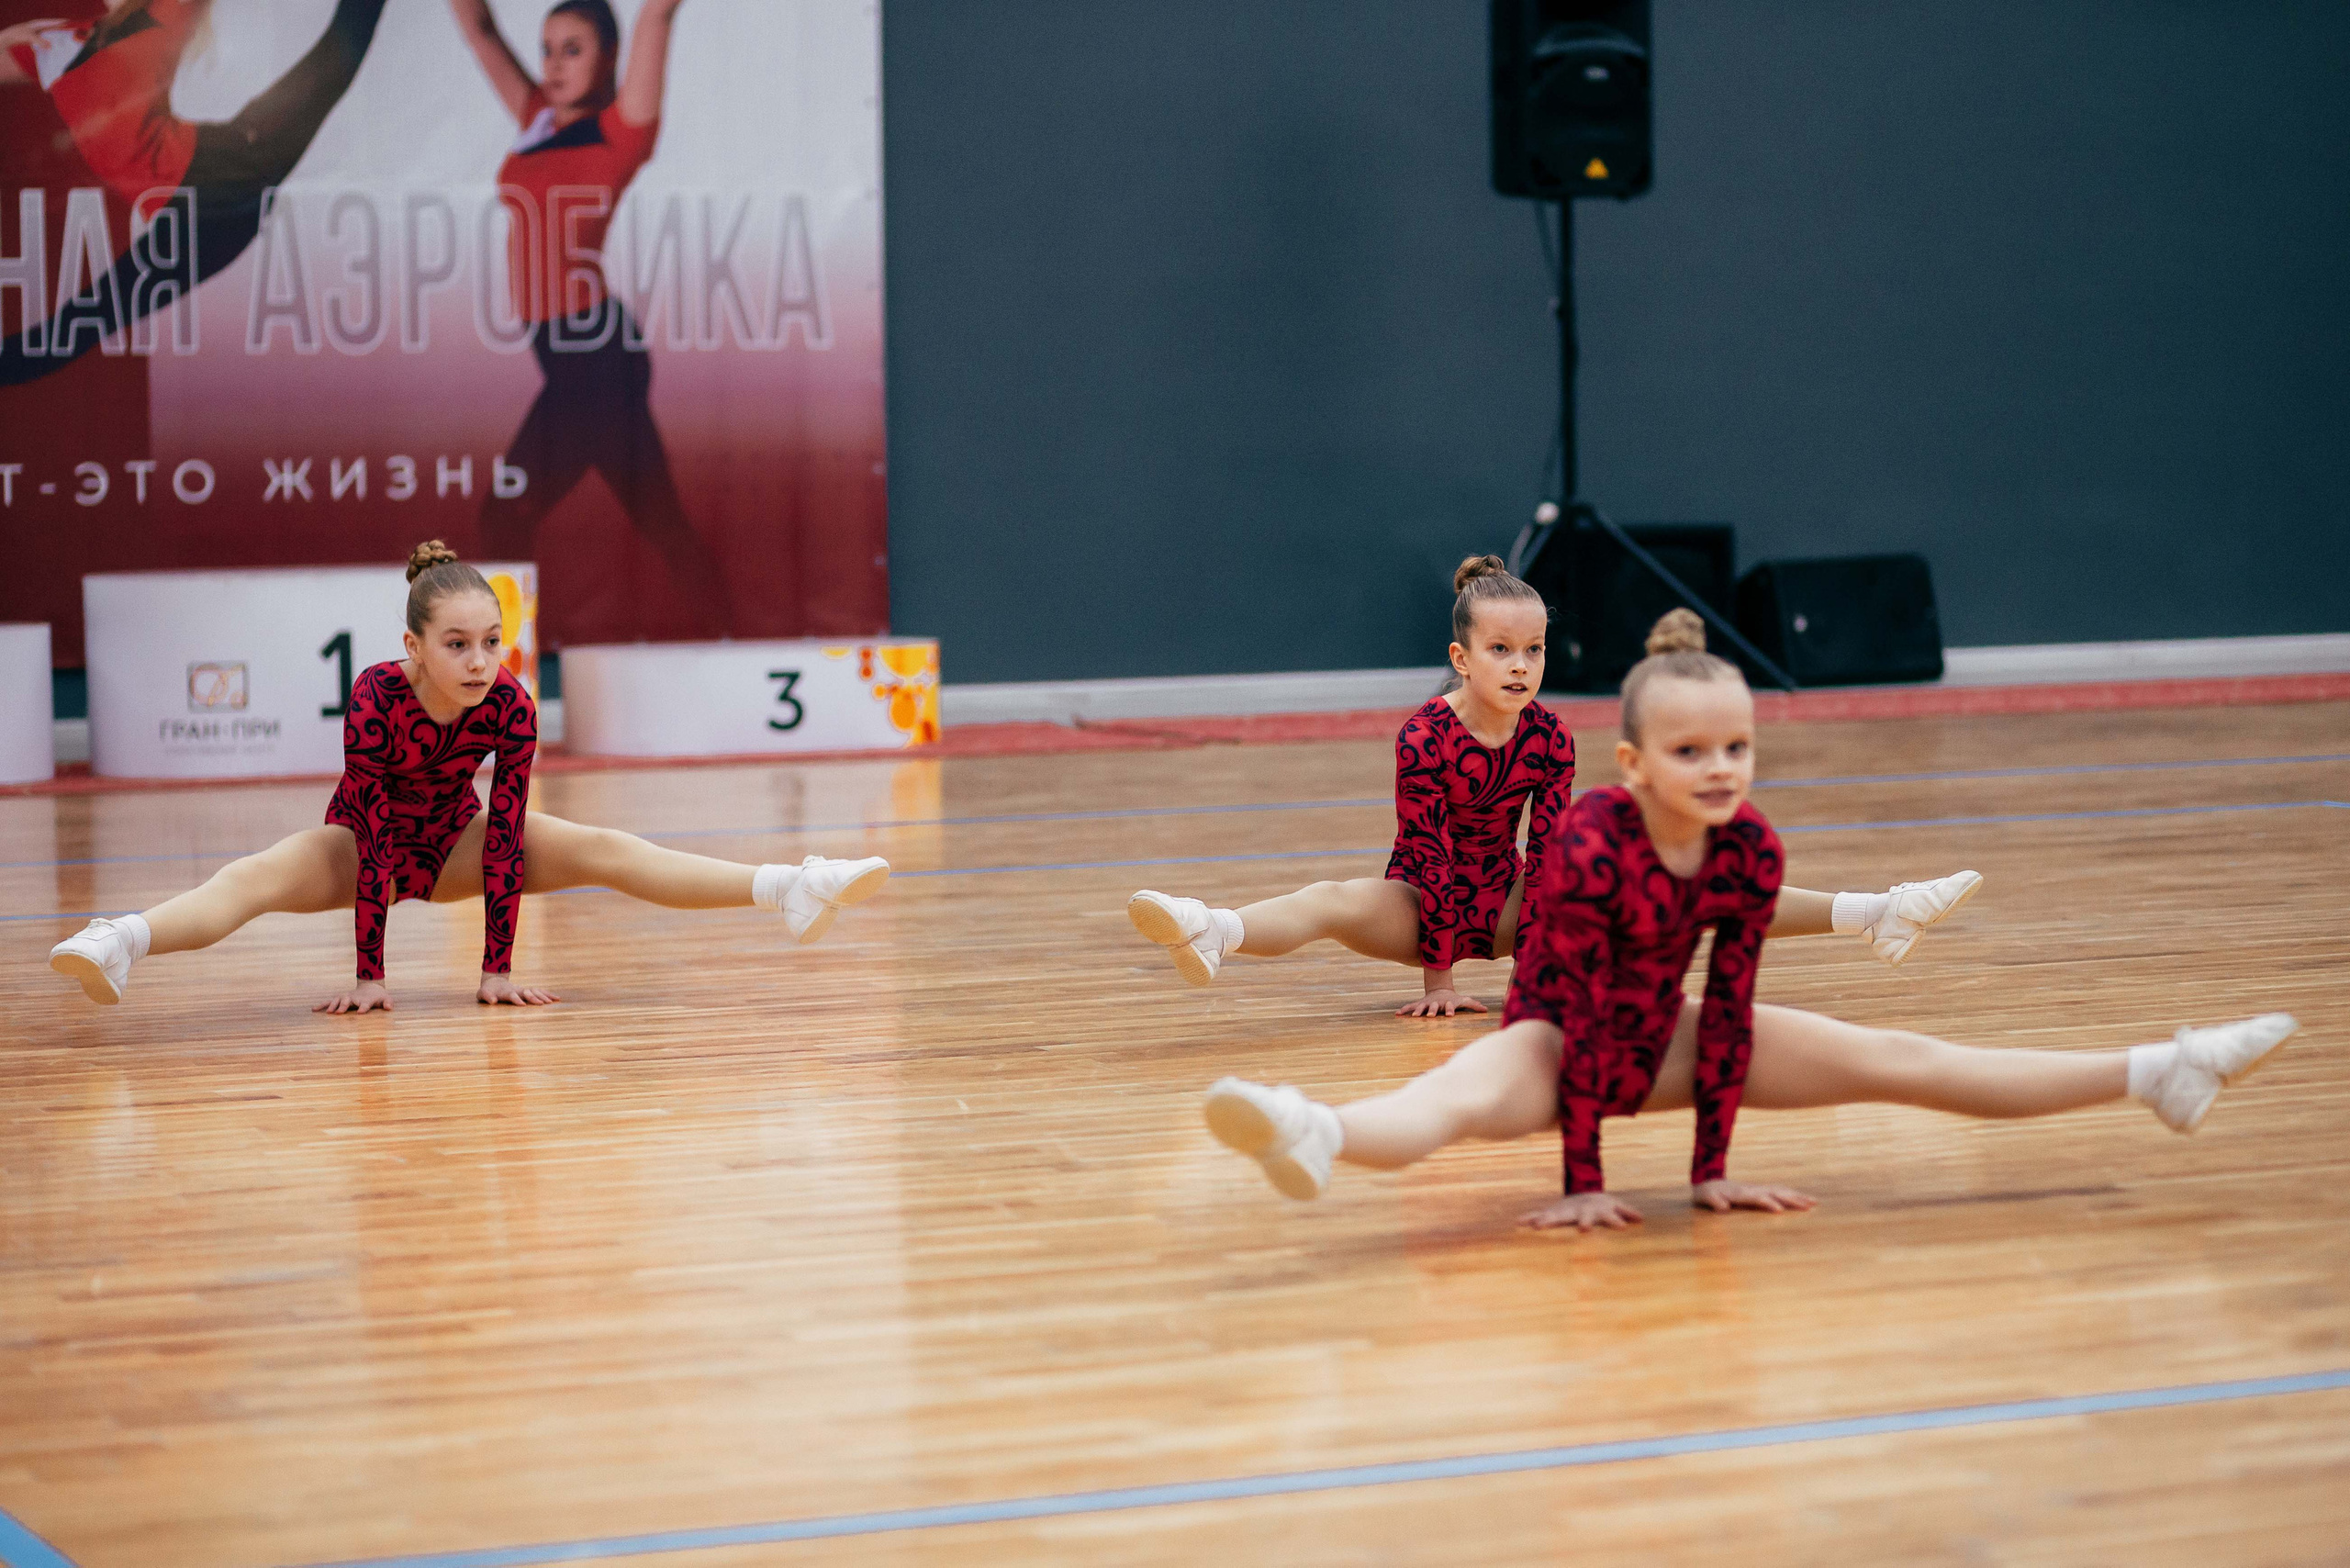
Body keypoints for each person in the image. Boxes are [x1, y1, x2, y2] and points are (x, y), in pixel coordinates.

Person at [1200, 610, 2300, 1231]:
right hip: (1554, 1040)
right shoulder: (1586, 841)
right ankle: (1311, 1129)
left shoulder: (1751, 849)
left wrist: (1708, 1169)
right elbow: (1568, 1007)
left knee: (1899, 1055)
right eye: (1689, 752)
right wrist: (1585, 1180)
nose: (1718, 769)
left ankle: (2159, 1071)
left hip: (1670, 1034)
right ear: (1630, 766)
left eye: (1735, 748)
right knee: (1442, 1103)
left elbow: (1726, 1007)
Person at [48, 542, 889, 1013]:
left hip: (455, 842)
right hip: (360, 841)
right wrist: (371, 976)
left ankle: (791, 887)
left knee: (600, 845)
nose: (480, 660)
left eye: (491, 640)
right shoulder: (376, 696)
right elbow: (373, 838)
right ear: (413, 647)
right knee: (253, 878)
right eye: (457, 644)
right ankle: (117, 941)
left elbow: (509, 839)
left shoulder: (510, 708)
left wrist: (495, 969)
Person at [1128, 556, 1982, 1017]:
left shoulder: (1548, 736)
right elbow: (1424, 856)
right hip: (1426, 903)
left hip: (1512, 903)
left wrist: (1543, 966)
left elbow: (1558, 857)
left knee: (1684, 877)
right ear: (1462, 658)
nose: (1522, 666)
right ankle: (1213, 930)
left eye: (1534, 650)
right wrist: (1439, 981)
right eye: (1503, 651)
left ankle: (1879, 911)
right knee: (1333, 897)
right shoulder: (1424, 734)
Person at [445, 0, 733, 636]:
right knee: (661, 520)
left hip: (593, 358)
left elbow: (657, 15)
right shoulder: (537, 121)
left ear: (609, 58)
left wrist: (655, 16)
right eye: (547, 49)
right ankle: (727, 640)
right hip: (581, 356)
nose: (553, 64)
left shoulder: (622, 130)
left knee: (504, 515)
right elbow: (479, 27)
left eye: (573, 49)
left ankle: (502, 678)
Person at [0, 0, 388, 383]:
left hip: (226, 167)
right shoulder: (53, 42)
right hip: (195, 222)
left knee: (331, 67)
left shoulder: (164, 11)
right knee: (74, 328)